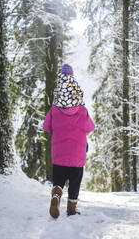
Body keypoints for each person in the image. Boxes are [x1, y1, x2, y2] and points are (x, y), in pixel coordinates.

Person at [43, 64, 95, 218]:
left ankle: (56, 195)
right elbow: (90, 127)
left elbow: (46, 127)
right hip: (77, 156)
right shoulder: (82, 110)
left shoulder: (54, 110)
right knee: (75, 183)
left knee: (58, 180)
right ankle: (71, 210)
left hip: (59, 155)